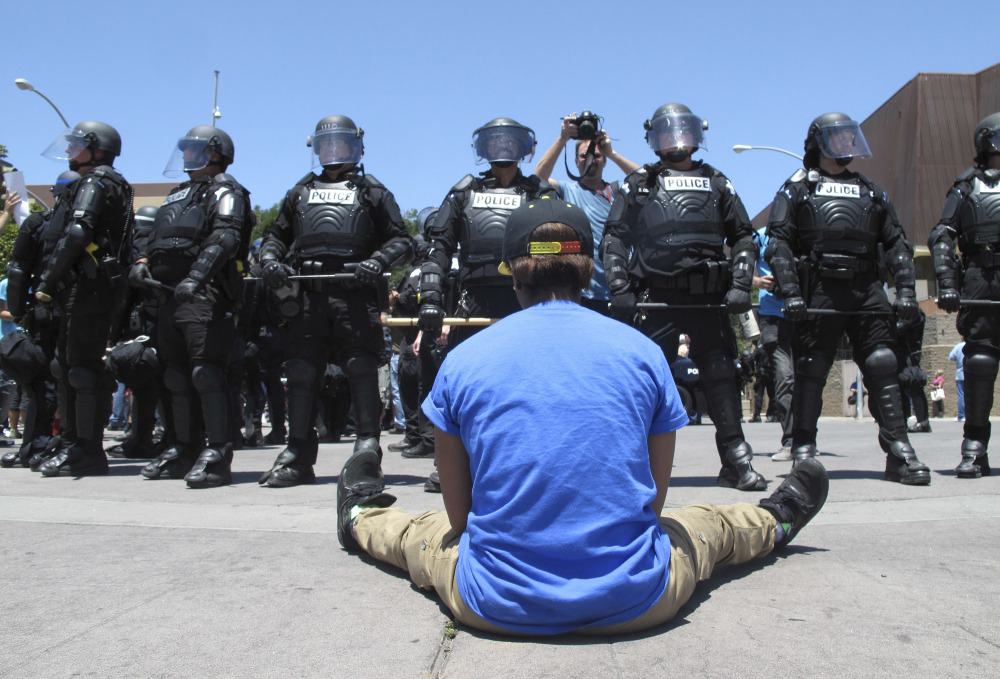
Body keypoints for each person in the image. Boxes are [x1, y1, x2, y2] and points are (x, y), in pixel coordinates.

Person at [335, 197, 829, 636]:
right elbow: (652, 506)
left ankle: (359, 514)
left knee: (416, 533)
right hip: (636, 600)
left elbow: (460, 517)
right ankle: (777, 519)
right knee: (705, 524)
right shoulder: (644, 353)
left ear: (511, 270)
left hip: (492, 601)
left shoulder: (464, 358)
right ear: (587, 268)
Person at [601, 103, 767, 491]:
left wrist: (742, 284)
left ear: (697, 135)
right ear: (653, 139)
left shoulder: (718, 182)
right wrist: (620, 287)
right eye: (666, 132)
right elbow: (614, 238)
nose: (676, 139)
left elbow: (744, 234)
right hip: (656, 299)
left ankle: (735, 459)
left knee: (722, 374)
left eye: (683, 131)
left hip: (708, 300)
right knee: (641, 380)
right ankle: (628, 465)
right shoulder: (640, 184)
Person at [765, 112, 930, 485]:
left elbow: (898, 244)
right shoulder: (797, 190)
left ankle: (900, 450)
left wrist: (905, 290)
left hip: (866, 289)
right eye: (838, 138)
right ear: (819, 143)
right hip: (820, 289)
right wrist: (790, 292)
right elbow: (779, 245)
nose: (846, 145)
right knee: (811, 369)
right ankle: (804, 450)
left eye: (849, 138)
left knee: (883, 363)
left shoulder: (868, 190)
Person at [258, 115, 412, 487]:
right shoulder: (299, 191)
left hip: (354, 295)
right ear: (316, 148)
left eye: (340, 144)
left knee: (359, 368)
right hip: (308, 295)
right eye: (326, 144)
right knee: (301, 371)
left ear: (355, 146)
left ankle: (366, 451)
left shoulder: (372, 191)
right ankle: (297, 453)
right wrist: (270, 260)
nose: (333, 150)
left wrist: (377, 261)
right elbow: (275, 236)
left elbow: (403, 240)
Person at [417, 117, 556, 491]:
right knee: (467, 384)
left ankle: (536, 462)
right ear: (483, 148)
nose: (503, 149)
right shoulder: (463, 192)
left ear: (523, 147)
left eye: (510, 142)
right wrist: (431, 298)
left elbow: (559, 243)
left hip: (527, 295)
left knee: (534, 383)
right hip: (473, 299)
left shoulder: (541, 192)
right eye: (495, 142)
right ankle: (454, 464)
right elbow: (438, 247)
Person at [131, 126, 253, 487]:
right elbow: (152, 238)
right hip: (167, 296)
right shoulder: (175, 195)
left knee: (206, 374)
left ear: (215, 153)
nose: (186, 156)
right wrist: (140, 263)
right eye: (184, 150)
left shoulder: (227, 190)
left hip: (205, 296)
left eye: (193, 150)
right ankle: (182, 447)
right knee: (174, 376)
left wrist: (196, 277)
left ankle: (217, 452)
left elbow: (225, 237)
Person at [33, 122, 133, 477]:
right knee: (68, 367)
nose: (72, 152)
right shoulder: (100, 182)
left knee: (81, 370)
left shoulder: (97, 182)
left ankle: (86, 450)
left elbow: (78, 232)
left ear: (98, 149)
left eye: (79, 146)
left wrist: (49, 278)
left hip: (89, 288)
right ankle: (73, 442)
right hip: (83, 288)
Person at [928, 113, 1000, 478]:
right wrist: (947, 283)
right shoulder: (967, 186)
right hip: (981, 277)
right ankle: (975, 445)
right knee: (980, 363)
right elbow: (941, 235)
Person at [533, 112, 639, 313]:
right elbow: (538, 178)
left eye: (597, 155)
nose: (591, 159)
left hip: (615, 291)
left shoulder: (617, 192)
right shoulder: (566, 190)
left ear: (604, 160)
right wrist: (562, 138)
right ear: (575, 161)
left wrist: (612, 153)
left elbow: (646, 180)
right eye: (584, 155)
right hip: (578, 293)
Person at [752, 227, 795, 459]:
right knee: (785, 376)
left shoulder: (800, 231)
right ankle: (790, 442)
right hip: (771, 315)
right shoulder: (760, 235)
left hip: (800, 313)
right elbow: (737, 268)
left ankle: (807, 438)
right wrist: (757, 281)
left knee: (808, 377)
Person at [896, 310, 932, 433]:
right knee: (901, 388)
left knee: (913, 384)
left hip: (909, 354)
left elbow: (899, 328)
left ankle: (923, 422)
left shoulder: (914, 313)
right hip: (901, 354)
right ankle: (903, 421)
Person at [948, 340, 966, 421]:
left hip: (960, 374)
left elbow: (951, 357)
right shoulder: (973, 345)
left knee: (961, 395)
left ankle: (962, 416)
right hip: (972, 375)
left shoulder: (959, 346)